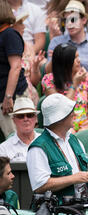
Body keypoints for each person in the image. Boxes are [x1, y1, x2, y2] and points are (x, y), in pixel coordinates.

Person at [27, 93, 88, 202]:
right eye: (70, 111)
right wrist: (74, 178)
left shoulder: (75, 140)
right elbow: (39, 186)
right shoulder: (38, 147)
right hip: (57, 213)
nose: (74, 114)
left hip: (84, 206)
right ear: (60, 118)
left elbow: (83, 171)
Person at [42, 43, 88, 133]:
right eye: (74, 58)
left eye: (78, 56)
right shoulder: (49, 81)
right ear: (64, 63)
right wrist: (74, 84)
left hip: (83, 129)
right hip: (60, 129)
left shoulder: (86, 78)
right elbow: (60, 110)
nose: (79, 61)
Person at [46, 0, 88, 76]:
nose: (69, 24)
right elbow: (48, 73)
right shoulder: (56, 42)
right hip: (63, 86)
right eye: (66, 20)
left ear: (84, 20)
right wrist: (55, 59)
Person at [0, 1, 28, 138]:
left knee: (16, 139)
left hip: (13, 98)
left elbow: (16, 67)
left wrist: (8, 97)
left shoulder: (9, 34)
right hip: (4, 96)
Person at [0, 97, 40, 162]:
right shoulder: (3, 149)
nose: (26, 119)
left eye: (29, 115)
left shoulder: (48, 142)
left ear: (35, 118)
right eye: (21, 116)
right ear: (14, 120)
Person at [12, 12, 40, 105]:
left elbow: (34, 81)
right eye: (20, 23)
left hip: (30, 95)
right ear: (12, 27)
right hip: (14, 94)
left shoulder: (29, 47)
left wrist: (35, 67)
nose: (24, 27)